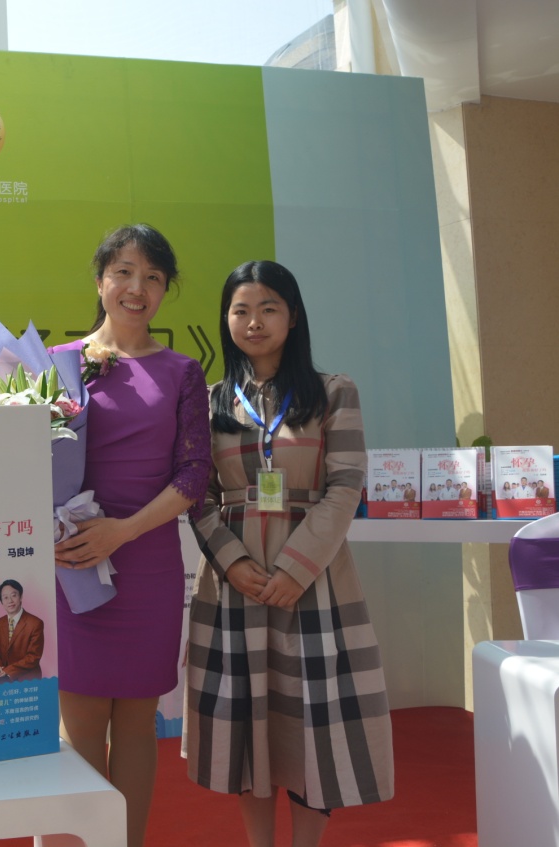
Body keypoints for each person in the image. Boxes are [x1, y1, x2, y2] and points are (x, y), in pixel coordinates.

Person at [184, 260, 393, 847]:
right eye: (241, 310)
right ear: (226, 320)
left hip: (314, 582)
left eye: (268, 308)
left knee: (313, 722)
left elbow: (345, 486)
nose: (254, 322)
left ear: (293, 316)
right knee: (250, 725)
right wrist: (234, 563)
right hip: (235, 584)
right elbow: (196, 496)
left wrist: (295, 570)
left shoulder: (333, 392)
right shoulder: (208, 401)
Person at [49, 224, 210, 847]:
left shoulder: (183, 372)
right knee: (82, 722)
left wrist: (123, 532)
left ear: (165, 290)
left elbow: (193, 474)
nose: (136, 288)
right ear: (100, 281)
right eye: (123, 272)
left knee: (139, 724)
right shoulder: (59, 365)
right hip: (74, 563)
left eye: (153, 277)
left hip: (147, 565)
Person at [0, 579, 44, 683]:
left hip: (28, 680)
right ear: (1, 602)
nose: (10, 601)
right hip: (2, 680)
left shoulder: (35, 623)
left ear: (21, 596)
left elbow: (33, 657)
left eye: (13, 595)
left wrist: (6, 671)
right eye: (5, 597)